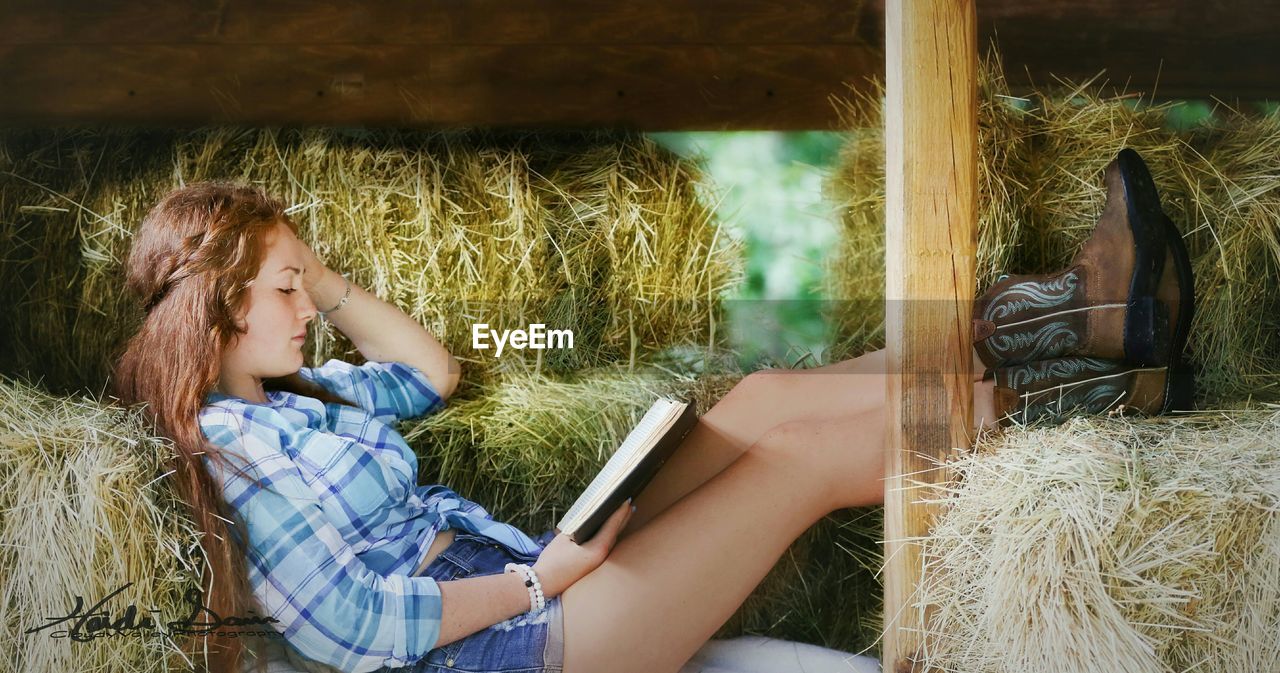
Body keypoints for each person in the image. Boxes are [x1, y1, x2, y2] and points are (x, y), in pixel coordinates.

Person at [111, 148, 1191, 673]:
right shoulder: (228, 448)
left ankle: (1070, 314)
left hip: (523, 575)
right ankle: (1083, 396)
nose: (308, 305)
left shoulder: (307, 395)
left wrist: (320, 271)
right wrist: (543, 577)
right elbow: (353, 629)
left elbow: (430, 374)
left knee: (762, 399)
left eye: (303, 284)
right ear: (214, 306)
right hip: (502, 649)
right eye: (282, 289)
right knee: (799, 461)